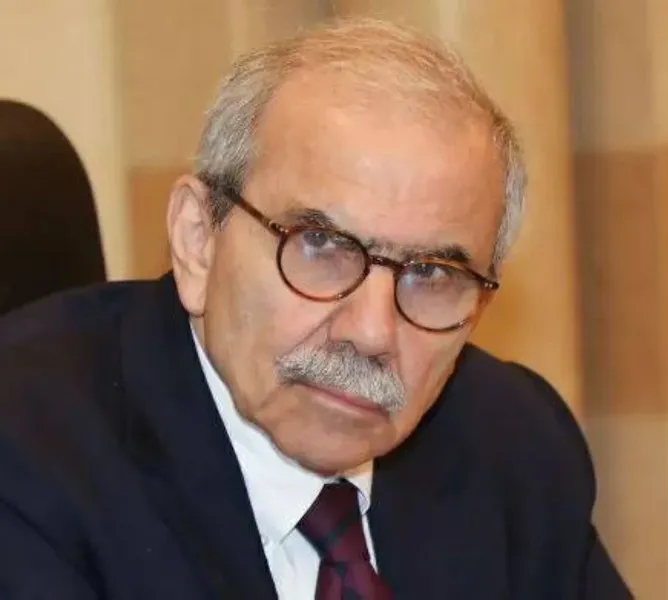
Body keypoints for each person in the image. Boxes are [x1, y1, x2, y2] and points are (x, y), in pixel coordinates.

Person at [0, 18, 631, 600]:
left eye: (432, 274)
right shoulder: (24, 459)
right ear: (198, 240)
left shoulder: (514, 446)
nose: (372, 332)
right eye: (321, 246)